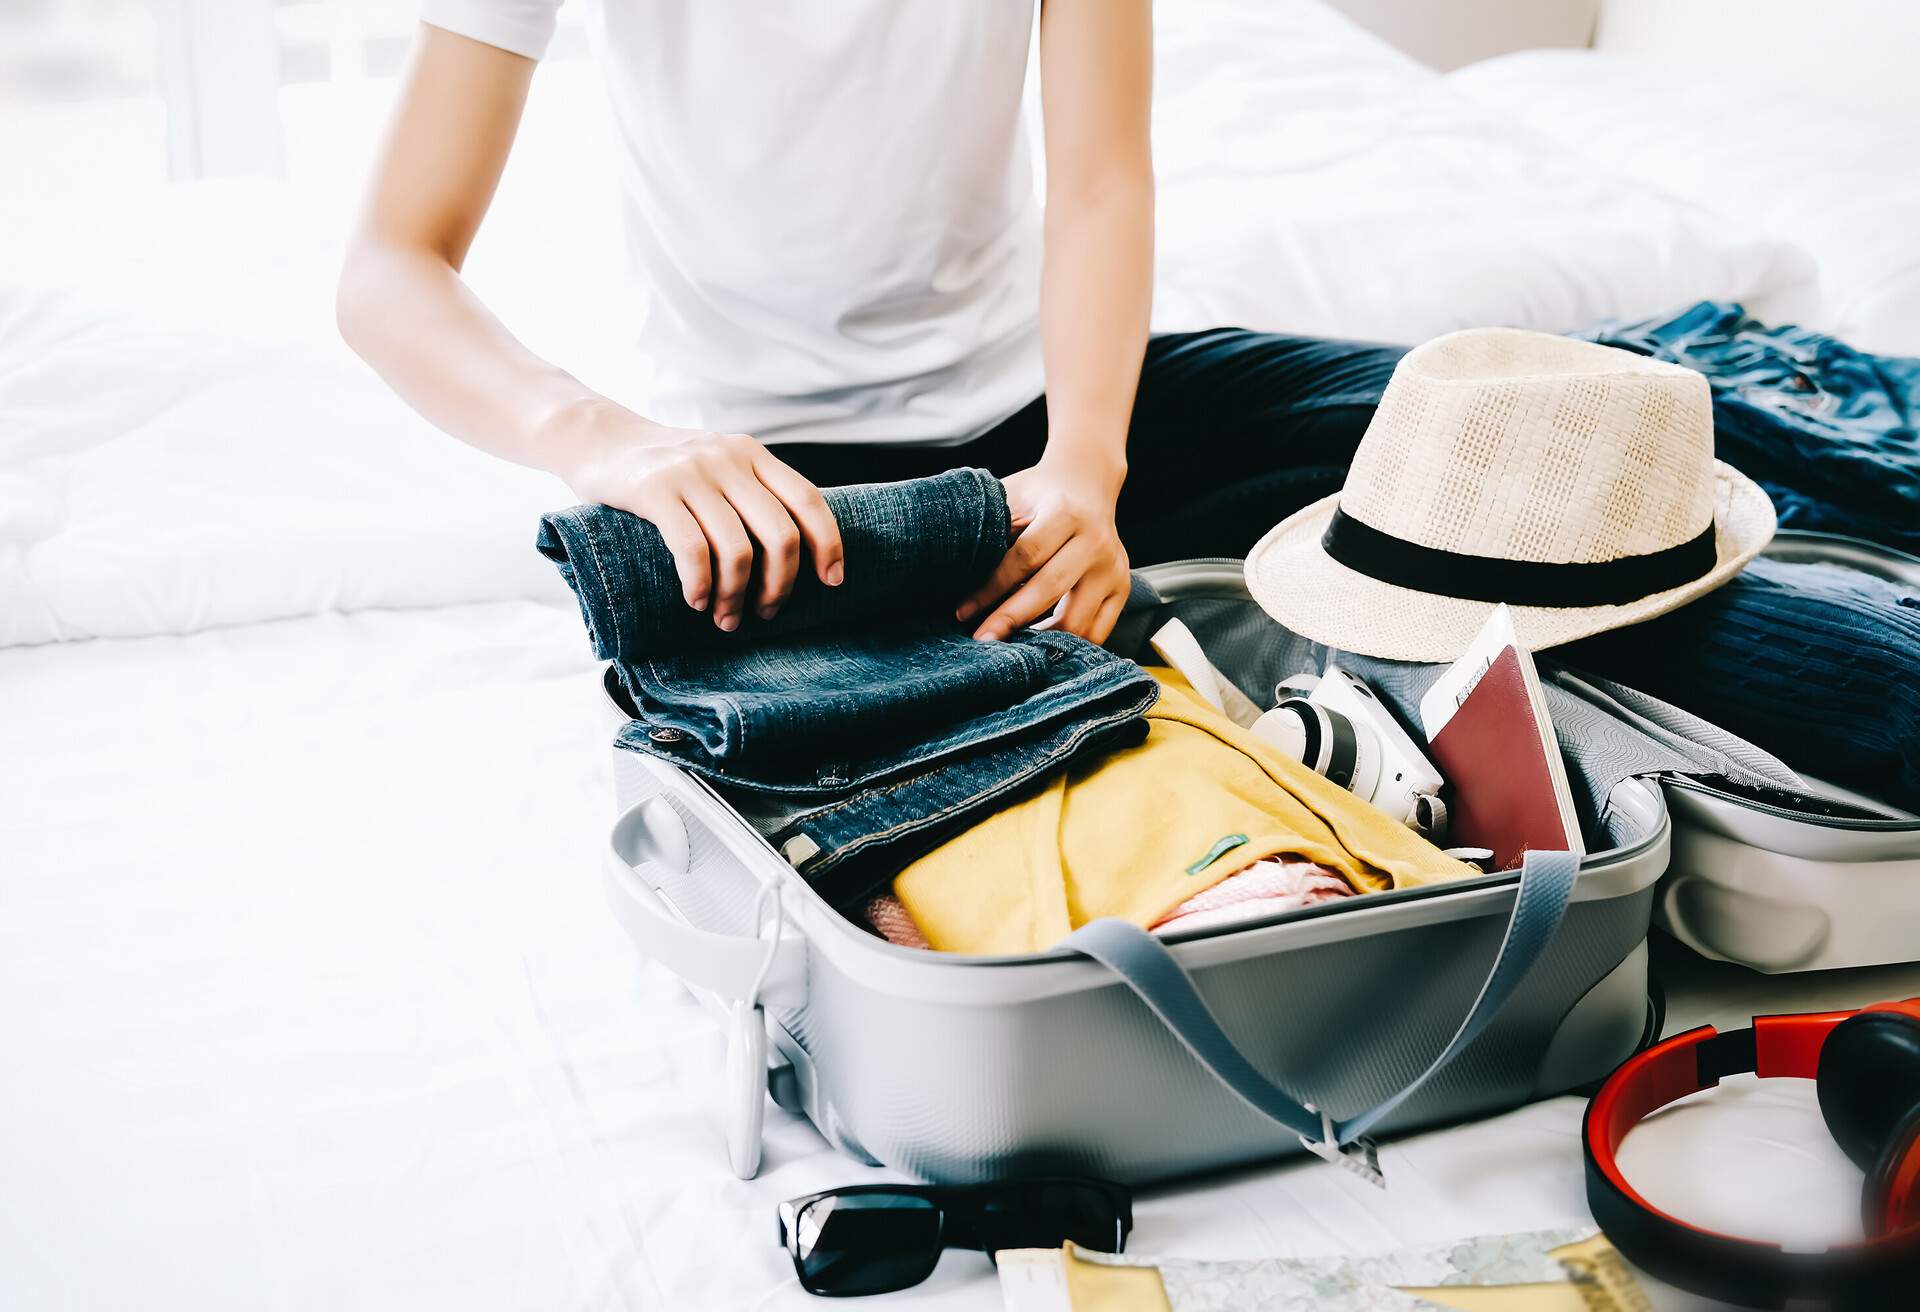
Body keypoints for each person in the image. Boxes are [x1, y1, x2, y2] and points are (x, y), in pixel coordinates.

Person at [339, 0, 1404, 646]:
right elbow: (389, 267)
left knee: (1484, 429)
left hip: (1057, 427)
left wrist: (1085, 464)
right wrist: (610, 441)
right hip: (776, 483)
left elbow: (1099, 184)